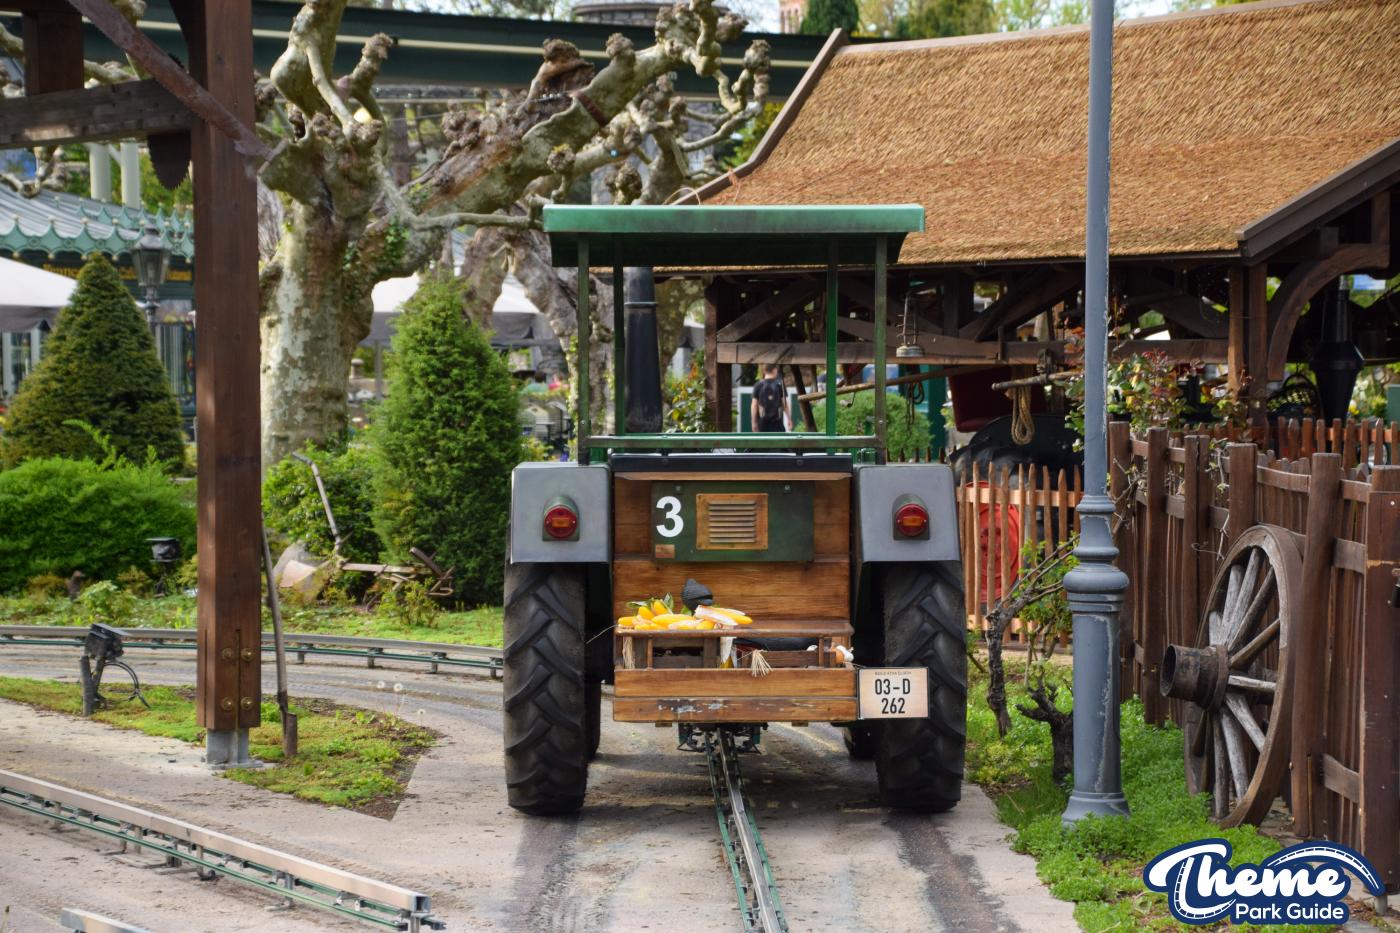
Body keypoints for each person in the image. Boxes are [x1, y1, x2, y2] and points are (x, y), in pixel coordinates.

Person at [750, 364, 789, 432]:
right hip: (777, 423)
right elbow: (785, 404)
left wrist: (754, 422)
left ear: (764, 371)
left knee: (763, 442)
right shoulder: (780, 385)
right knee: (779, 442)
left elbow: (754, 405)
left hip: (762, 423)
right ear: (775, 370)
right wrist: (789, 419)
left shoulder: (758, 385)